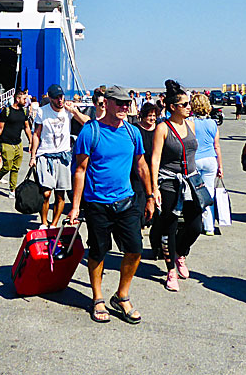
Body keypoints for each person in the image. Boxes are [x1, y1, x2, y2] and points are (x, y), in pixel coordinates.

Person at [69, 85, 154, 323]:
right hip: (97, 204)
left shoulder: (132, 132)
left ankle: (122, 296)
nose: (125, 107)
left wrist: (150, 196)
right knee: (98, 251)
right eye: (120, 103)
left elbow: (141, 165)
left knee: (135, 250)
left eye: (127, 103)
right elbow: (80, 170)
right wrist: (75, 207)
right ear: (106, 103)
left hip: (126, 201)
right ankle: (97, 298)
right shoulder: (91, 131)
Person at [150, 80, 204, 292]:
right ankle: (170, 269)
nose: (189, 107)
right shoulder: (163, 128)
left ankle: (180, 253)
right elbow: (154, 159)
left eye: (189, 103)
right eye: (184, 104)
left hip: (191, 180)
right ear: (172, 107)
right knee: (169, 226)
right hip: (169, 182)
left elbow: (192, 152)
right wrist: (154, 188)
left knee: (195, 225)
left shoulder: (190, 125)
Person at [29, 84, 88, 228]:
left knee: (60, 194)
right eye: (56, 97)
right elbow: (36, 134)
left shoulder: (68, 111)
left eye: (61, 96)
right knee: (46, 193)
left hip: (63, 156)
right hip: (45, 154)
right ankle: (43, 222)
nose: (59, 100)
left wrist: (73, 110)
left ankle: (54, 224)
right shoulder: (42, 112)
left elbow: (87, 122)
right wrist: (33, 156)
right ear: (50, 98)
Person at [191, 93, 223, 235]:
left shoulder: (190, 122)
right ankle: (209, 226)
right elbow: (217, 146)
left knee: (194, 193)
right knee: (209, 192)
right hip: (210, 159)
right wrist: (220, 165)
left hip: (195, 159)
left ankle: (196, 223)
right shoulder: (212, 123)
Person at [0, 90, 32, 199]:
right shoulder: (7, 111)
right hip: (6, 143)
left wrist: (31, 141)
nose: (26, 101)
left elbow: (27, 128)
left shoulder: (24, 112)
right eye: (24, 99)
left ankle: (12, 189)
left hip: (18, 144)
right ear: (17, 99)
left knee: (16, 168)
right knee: (7, 167)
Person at [135, 102, 159, 235]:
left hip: (154, 169)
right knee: (140, 199)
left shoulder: (159, 129)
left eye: (154, 116)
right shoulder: (136, 129)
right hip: (138, 171)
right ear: (143, 116)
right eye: (149, 116)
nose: (152, 119)